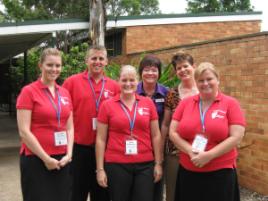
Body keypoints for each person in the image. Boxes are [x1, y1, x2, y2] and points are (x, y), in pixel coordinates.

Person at [169, 62, 245, 201]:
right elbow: (173, 132)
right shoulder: (185, 103)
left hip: (220, 172)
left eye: (209, 79)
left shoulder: (230, 103)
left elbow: (236, 136)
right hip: (188, 170)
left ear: (218, 80)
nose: (205, 83)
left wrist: (209, 155)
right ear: (196, 83)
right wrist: (190, 151)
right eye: (201, 80)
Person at [96, 65, 163, 201]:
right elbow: (101, 139)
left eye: (132, 80)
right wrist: (100, 169)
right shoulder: (107, 105)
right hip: (116, 164)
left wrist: (158, 163)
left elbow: (156, 135)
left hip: (145, 164)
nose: (128, 84)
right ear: (118, 81)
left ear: (137, 80)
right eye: (124, 80)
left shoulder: (147, 103)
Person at [62, 45, 120, 201]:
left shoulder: (114, 86)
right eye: (94, 58)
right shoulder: (71, 83)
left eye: (101, 58)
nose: (97, 62)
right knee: (75, 193)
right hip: (79, 149)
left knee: (102, 194)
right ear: (87, 61)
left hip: (105, 150)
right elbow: (62, 114)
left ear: (107, 61)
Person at [16, 48, 74, 201]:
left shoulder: (65, 93)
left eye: (57, 65)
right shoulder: (28, 92)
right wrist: (46, 159)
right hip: (36, 159)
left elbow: (69, 127)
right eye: (49, 65)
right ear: (40, 65)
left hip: (61, 160)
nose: (54, 69)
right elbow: (24, 131)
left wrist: (69, 154)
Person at [161, 52, 198, 201]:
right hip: (174, 152)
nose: (182, 70)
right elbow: (165, 124)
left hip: (198, 150)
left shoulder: (204, 90)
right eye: (178, 68)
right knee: (173, 191)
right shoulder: (172, 94)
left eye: (185, 66)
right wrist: (161, 150)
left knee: (196, 189)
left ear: (193, 67)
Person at [136, 54, 168, 201]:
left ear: (159, 73)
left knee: (157, 181)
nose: (150, 73)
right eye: (146, 69)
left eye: (154, 70)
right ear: (141, 72)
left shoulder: (167, 93)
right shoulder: (131, 91)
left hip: (159, 143)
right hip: (137, 144)